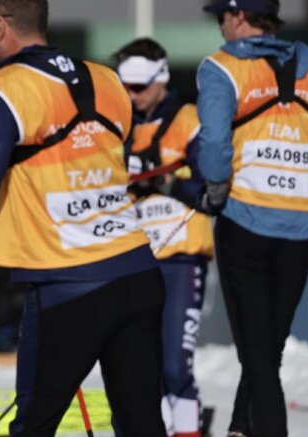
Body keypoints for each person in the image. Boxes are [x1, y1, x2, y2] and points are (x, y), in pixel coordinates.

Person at [0, 0, 166, 436]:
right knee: (142, 425)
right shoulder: (107, 80)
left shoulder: (8, 87)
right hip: (135, 272)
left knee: (34, 426)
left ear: (0, 26)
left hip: (69, 285)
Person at [196, 0, 308, 437]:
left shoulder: (221, 68)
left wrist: (215, 191)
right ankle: (241, 427)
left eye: (223, 15)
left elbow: (215, 145)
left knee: (260, 356)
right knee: (267, 348)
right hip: (301, 231)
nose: (221, 24)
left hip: (245, 223)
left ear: (240, 17)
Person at [116, 38, 214, 437]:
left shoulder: (189, 118)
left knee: (175, 366)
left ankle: (188, 429)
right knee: (144, 367)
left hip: (179, 256)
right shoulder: (122, 126)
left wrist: (168, 182)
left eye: (138, 86)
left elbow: (212, 188)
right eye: (126, 86)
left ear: (162, 78)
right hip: (135, 255)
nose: (131, 95)